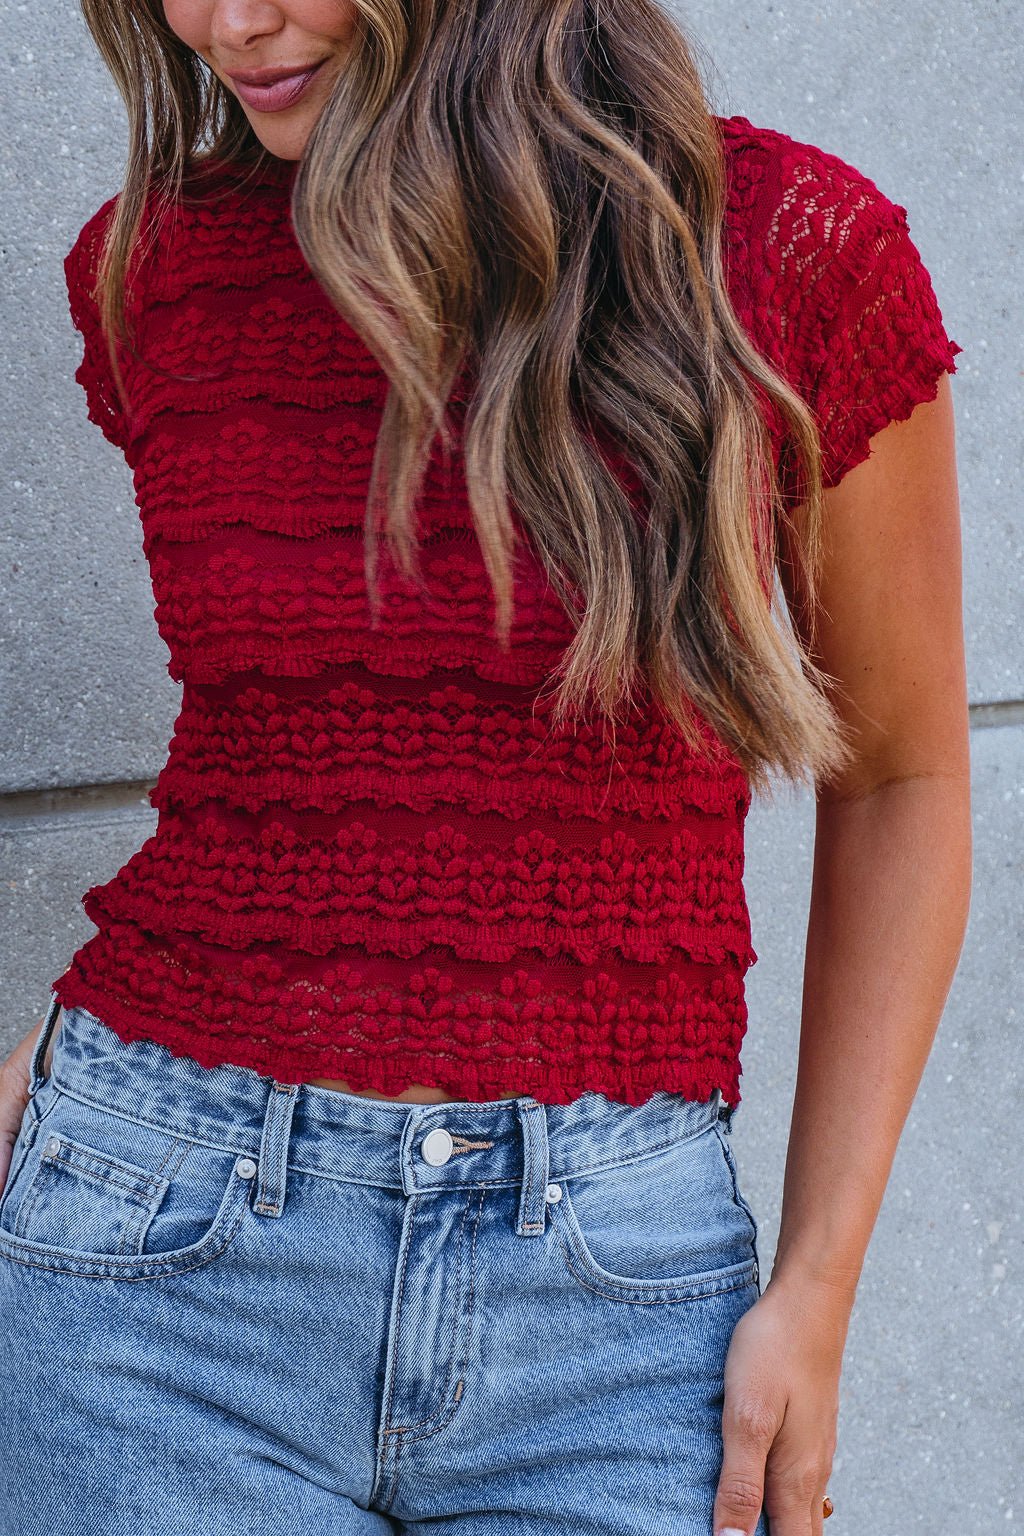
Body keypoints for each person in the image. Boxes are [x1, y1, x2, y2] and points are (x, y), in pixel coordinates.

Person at [0, 2, 970, 1533]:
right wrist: (72, 1090)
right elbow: (277, 761)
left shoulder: (789, 254)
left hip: (620, 1312)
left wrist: (818, 1287)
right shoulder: (158, 271)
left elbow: (903, 780)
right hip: (157, 1266)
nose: (224, 23)